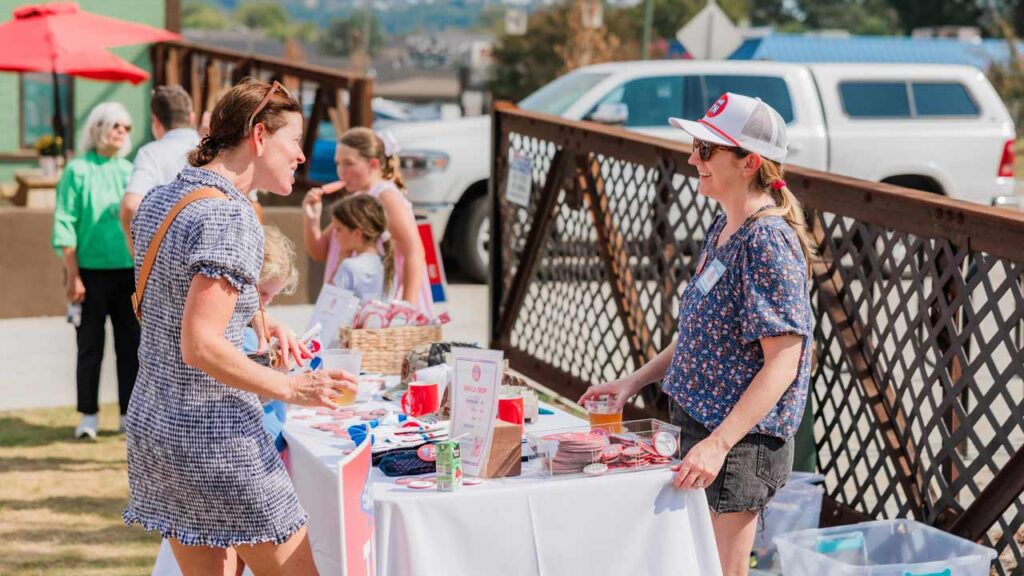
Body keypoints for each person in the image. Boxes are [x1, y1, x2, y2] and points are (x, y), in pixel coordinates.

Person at [123, 79, 356, 576]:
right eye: (294, 141)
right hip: (217, 437)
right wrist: (292, 386)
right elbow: (201, 344)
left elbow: (176, 296)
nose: (300, 155)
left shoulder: (165, 197)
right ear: (258, 136)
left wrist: (260, 320)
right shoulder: (230, 215)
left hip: (156, 426)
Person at [579, 93, 815, 576]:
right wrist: (634, 381)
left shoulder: (766, 239)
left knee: (720, 570)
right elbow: (698, 332)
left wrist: (720, 444)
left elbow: (784, 361)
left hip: (735, 442)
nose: (692, 158)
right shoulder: (726, 225)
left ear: (749, 162)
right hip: (701, 428)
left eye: (706, 150)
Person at [51, 102, 139, 439]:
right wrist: (72, 274)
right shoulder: (77, 170)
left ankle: (128, 414)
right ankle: (87, 415)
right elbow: (65, 223)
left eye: (127, 127)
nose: (122, 133)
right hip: (88, 272)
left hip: (128, 271)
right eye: (116, 125)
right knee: (90, 345)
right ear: (98, 127)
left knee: (130, 346)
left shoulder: (131, 170)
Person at [302, 128, 432, 311]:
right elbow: (320, 252)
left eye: (349, 163)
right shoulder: (356, 199)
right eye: (338, 164)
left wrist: (405, 310)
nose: (341, 172)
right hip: (353, 305)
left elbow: (414, 253)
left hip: (383, 306)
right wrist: (312, 219)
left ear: (373, 164)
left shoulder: (386, 197)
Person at [120, 85, 200, 251]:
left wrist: (136, 252)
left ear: (156, 121)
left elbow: (130, 206)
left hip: (166, 257)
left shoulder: (151, 153)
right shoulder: (215, 150)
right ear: (192, 118)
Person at [328, 194, 395, 302]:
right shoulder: (387, 264)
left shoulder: (348, 266)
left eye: (339, 230)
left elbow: (328, 303)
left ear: (357, 233)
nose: (335, 236)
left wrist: (340, 260)